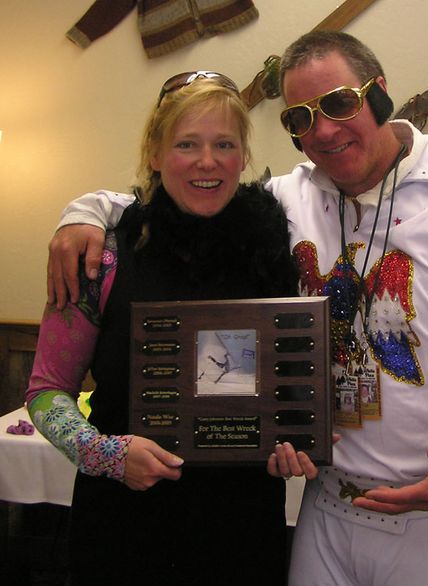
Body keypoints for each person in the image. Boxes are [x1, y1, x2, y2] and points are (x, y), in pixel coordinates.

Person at [46, 33, 428, 586]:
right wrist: (87, 211)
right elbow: (191, 195)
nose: (325, 130)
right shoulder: (293, 199)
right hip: (323, 512)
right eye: (301, 118)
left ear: (379, 94)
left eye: (340, 103)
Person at [28, 71, 298, 586]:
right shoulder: (99, 258)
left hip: (240, 530)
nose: (207, 161)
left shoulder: (276, 252)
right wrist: (103, 453)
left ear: (243, 156)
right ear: (154, 153)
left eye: (224, 144)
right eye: (186, 144)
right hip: (124, 527)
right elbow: (46, 393)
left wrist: (294, 438)